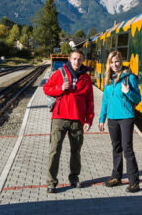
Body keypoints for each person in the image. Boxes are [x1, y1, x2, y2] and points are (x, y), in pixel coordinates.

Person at [43, 49, 94, 193]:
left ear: (82, 60)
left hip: (77, 120)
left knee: (76, 151)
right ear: (70, 59)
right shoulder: (60, 73)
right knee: (55, 150)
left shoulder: (86, 78)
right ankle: (51, 182)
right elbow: (46, 88)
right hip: (60, 118)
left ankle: (74, 178)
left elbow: (90, 101)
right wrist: (60, 88)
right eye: (74, 59)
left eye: (79, 59)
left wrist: (88, 120)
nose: (77, 62)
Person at [98, 51, 142, 193]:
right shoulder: (108, 80)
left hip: (126, 118)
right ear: (108, 64)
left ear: (121, 62)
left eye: (116, 61)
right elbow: (105, 101)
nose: (114, 65)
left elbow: (138, 98)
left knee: (127, 149)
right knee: (116, 148)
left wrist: (128, 92)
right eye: (111, 62)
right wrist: (101, 119)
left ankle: (134, 182)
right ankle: (116, 177)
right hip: (112, 119)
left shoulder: (129, 78)